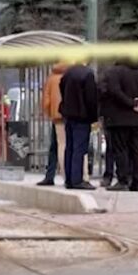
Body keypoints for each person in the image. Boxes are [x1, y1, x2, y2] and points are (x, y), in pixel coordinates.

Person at [101, 59, 138, 192]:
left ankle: (122, 180)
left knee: (121, 150)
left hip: (119, 119)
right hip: (137, 119)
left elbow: (115, 92)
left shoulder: (115, 72)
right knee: (136, 151)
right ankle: (137, 182)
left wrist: (130, 103)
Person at [59, 62, 98, 190]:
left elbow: (62, 89)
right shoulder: (88, 74)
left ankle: (69, 179)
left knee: (70, 147)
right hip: (82, 116)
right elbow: (91, 98)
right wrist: (94, 116)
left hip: (69, 114)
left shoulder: (68, 73)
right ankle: (77, 180)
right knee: (79, 149)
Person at [37, 62, 68, 186]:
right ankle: (69, 175)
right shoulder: (70, 76)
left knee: (56, 146)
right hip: (70, 115)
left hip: (56, 116)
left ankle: (51, 175)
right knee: (67, 145)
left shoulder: (51, 79)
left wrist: (49, 113)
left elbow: (46, 101)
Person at [97, 66, 116, 188]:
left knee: (110, 148)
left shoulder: (104, 84)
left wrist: (99, 116)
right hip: (121, 117)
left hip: (108, 118)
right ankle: (125, 175)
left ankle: (108, 176)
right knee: (123, 148)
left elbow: (99, 100)